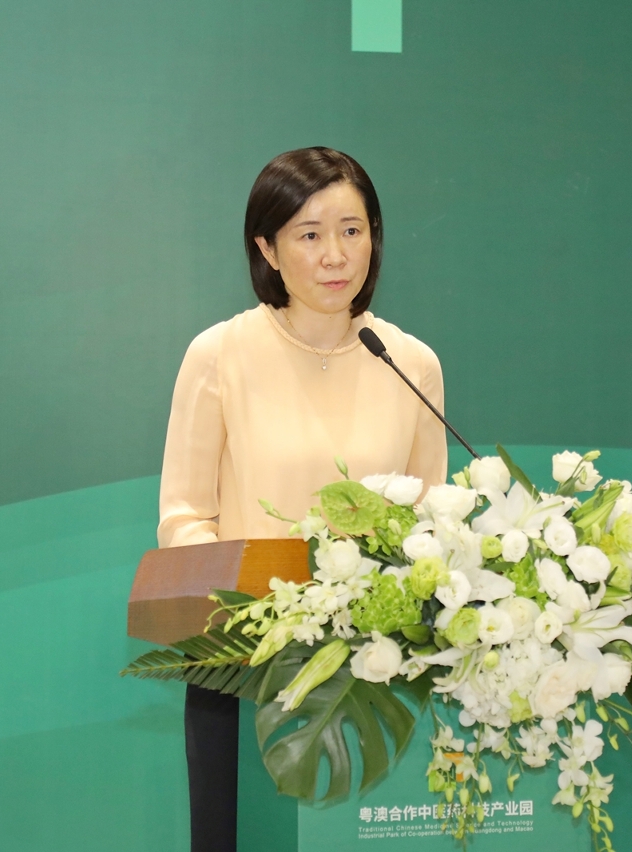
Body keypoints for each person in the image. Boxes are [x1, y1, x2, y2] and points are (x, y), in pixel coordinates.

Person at [157, 147, 449, 852]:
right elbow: (184, 518)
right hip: (245, 669)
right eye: (309, 234)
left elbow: (435, 525)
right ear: (267, 248)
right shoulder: (220, 354)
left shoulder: (409, 362)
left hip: (376, 674)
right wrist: (258, 617)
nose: (335, 255)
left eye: (352, 230)